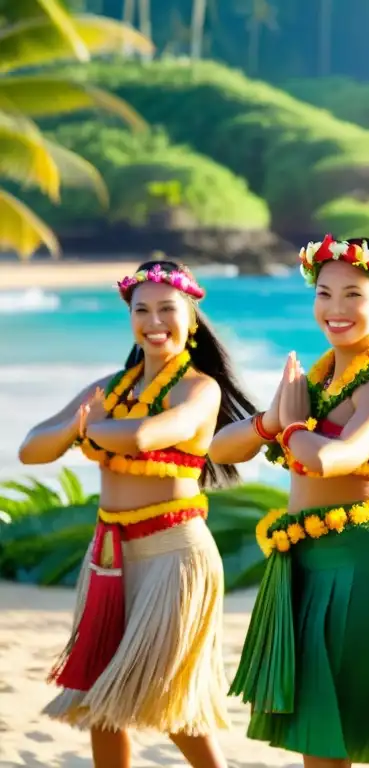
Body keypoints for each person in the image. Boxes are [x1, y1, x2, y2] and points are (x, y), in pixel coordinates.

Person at [210, 236, 369, 768]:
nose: (335, 309)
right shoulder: (316, 380)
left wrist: (288, 427)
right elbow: (219, 448)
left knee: (344, 732)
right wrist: (270, 422)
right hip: (307, 562)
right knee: (317, 734)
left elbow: (337, 457)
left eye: (352, 295)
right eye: (324, 294)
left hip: (361, 563)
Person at [18, 260, 255, 768]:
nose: (154, 321)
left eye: (167, 309)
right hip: (109, 556)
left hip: (174, 555)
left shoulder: (199, 389)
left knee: (170, 703)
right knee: (102, 703)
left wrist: (88, 429)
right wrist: (77, 429)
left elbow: (146, 436)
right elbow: (32, 448)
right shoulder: (111, 387)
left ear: (191, 317)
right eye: (141, 309)